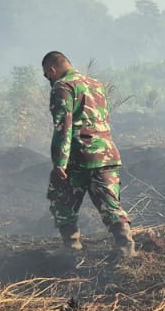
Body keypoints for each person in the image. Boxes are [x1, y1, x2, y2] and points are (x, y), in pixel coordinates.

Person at [42, 50, 134, 258]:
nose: (49, 80)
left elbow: (63, 127)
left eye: (47, 76)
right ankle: (126, 247)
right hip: (107, 154)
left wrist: (60, 163)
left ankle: (71, 246)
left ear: (52, 70)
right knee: (110, 204)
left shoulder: (63, 87)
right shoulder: (96, 85)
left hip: (80, 157)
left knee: (61, 198)